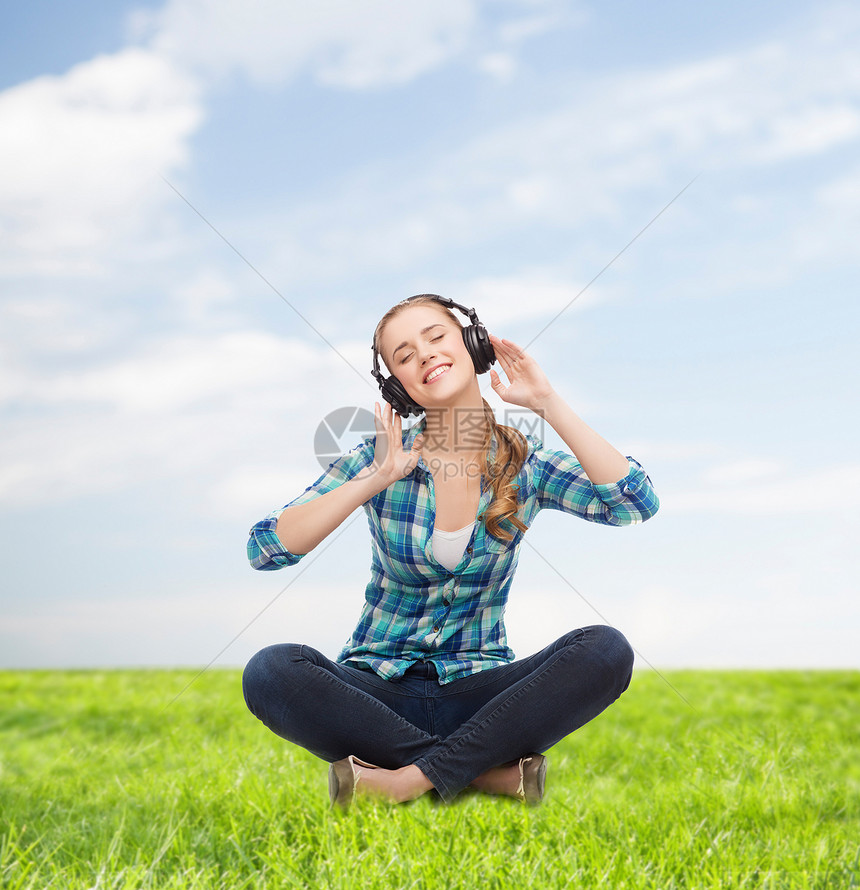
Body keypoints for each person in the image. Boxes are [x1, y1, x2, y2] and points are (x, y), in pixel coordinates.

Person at [243, 294, 660, 808]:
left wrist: (547, 402)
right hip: (376, 691)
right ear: (397, 384)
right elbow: (266, 549)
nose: (423, 354)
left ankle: (406, 779)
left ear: (472, 344)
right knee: (270, 670)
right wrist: (373, 480)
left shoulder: (528, 463)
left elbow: (634, 503)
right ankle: (482, 772)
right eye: (403, 354)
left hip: (480, 693)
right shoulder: (378, 459)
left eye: (436, 337)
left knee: (606, 649)